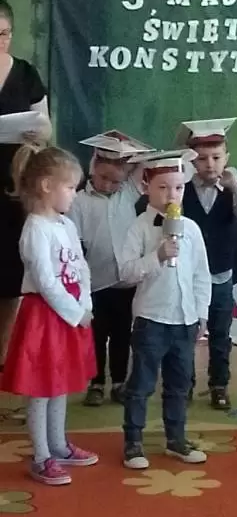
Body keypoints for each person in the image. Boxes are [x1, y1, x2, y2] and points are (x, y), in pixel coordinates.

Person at [1, 145, 98, 485]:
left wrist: (85, 305)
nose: (74, 194)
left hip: (69, 315)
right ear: (46, 185)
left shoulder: (66, 224)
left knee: (60, 384)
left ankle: (58, 445)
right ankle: (42, 456)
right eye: (70, 187)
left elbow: (81, 267)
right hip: (44, 317)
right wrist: (74, 311)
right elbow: (45, 281)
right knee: (41, 388)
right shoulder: (35, 228)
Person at [120, 149, 211, 469]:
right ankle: (133, 441)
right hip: (151, 319)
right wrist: (156, 256)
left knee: (179, 384)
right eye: (163, 187)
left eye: (179, 187)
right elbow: (126, 272)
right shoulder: (139, 228)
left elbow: (201, 274)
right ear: (147, 187)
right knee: (141, 384)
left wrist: (201, 313)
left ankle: (176, 438)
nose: (172, 194)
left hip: (184, 320)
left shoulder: (192, 229)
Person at [69, 130, 151, 407]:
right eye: (103, 177)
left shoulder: (126, 193)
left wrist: (126, 150)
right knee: (96, 336)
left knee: (121, 335)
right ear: (92, 168)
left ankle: (118, 382)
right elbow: (75, 243)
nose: (109, 185)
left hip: (125, 282)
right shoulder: (78, 202)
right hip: (95, 283)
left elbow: (145, 162)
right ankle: (96, 383)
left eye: (116, 180)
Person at [176, 118, 237, 409]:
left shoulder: (231, 189)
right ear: (191, 161)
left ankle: (219, 385)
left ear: (227, 158)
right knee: (186, 333)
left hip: (221, 275)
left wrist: (236, 187)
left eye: (216, 158)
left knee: (220, 336)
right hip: (189, 277)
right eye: (202, 158)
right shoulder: (182, 189)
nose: (210, 164)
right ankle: (184, 384)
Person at [0, 0, 52, 369]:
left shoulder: (26, 73)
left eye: (4, 34)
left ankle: (2, 355)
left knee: (8, 278)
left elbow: (44, 126)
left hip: (13, 186)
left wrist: (36, 135)